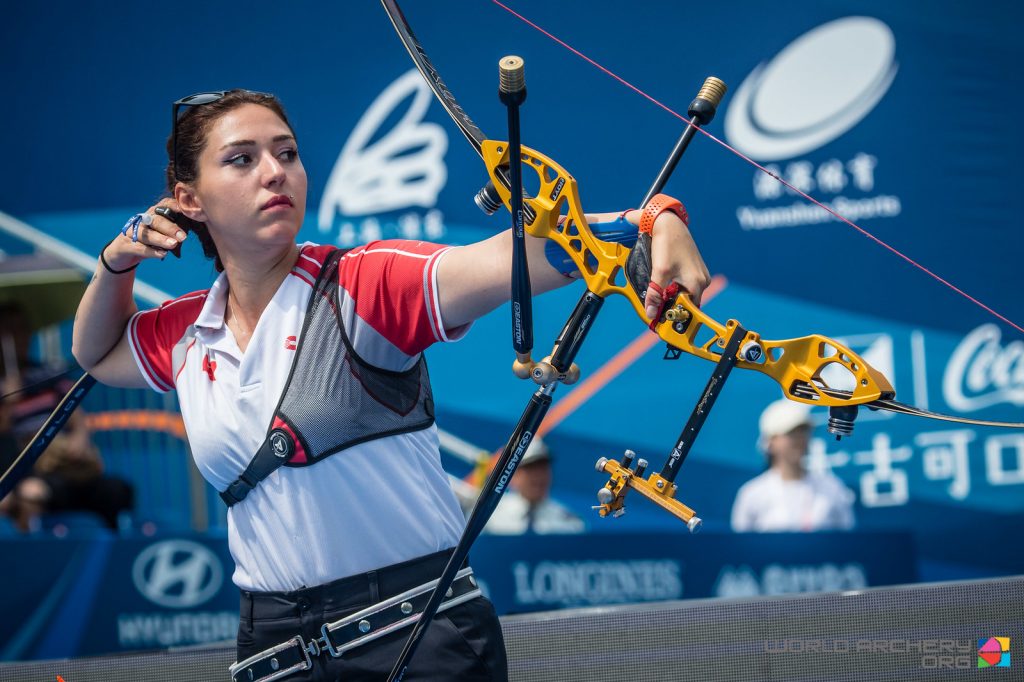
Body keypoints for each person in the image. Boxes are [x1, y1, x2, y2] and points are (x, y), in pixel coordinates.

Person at [71, 89, 709, 681]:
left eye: (286, 153)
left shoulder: (363, 282)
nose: (274, 172)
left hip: (419, 632)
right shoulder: (188, 329)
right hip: (273, 647)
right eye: (241, 160)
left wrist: (651, 221)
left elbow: (514, 255)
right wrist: (115, 261)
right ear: (188, 199)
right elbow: (95, 352)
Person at [730, 399, 856, 532]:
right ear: (770, 442)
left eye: (804, 431)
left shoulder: (832, 487)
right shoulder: (752, 494)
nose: (800, 439)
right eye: (791, 433)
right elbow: (740, 548)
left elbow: (848, 544)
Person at [486, 437, 584, 535]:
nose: (538, 476)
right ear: (513, 475)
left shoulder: (569, 523)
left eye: (543, 468)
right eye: (530, 469)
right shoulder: (488, 516)